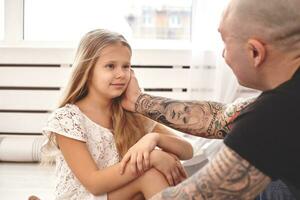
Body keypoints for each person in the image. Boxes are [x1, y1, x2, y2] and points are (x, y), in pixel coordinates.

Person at [120, 0, 300, 199]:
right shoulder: (286, 97)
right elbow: (220, 118)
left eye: (225, 42)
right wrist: (138, 101)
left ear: (255, 52)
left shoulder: (276, 112)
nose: (223, 54)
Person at [41, 29, 194, 200]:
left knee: (164, 167)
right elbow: (94, 184)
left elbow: (188, 150)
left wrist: (155, 139)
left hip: (116, 193)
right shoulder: (68, 119)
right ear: (88, 70)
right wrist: (151, 158)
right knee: (151, 175)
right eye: (110, 66)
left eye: (126, 66)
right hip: (85, 196)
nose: (121, 74)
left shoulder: (131, 114)